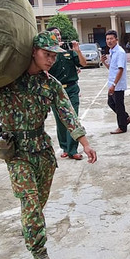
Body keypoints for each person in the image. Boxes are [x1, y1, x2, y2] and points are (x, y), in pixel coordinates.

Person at [0, 31, 98, 259]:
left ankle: (30, 229)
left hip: (42, 150)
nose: (51, 60)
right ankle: (40, 255)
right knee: (31, 201)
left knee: (38, 205)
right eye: (47, 55)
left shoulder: (51, 84)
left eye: (54, 56)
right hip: (16, 152)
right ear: (33, 52)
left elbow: (68, 114)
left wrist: (85, 143)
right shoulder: (8, 80)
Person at [46, 27, 88, 160]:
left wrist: (78, 50)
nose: (58, 37)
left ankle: (72, 149)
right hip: (55, 90)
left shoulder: (69, 50)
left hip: (71, 89)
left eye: (58, 34)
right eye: (54, 35)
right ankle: (64, 147)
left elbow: (83, 63)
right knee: (60, 120)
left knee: (73, 117)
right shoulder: (48, 53)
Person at [106, 30, 130, 134]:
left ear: (116, 39)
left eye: (111, 38)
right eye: (107, 39)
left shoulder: (120, 52)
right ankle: (125, 118)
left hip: (117, 85)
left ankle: (122, 127)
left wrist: (114, 84)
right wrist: (104, 62)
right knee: (111, 103)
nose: (109, 41)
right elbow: (112, 69)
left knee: (119, 105)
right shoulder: (112, 51)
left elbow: (120, 70)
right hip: (112, 83)